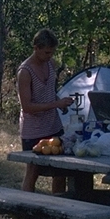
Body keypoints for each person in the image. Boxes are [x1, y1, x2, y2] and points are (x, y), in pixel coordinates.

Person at [17, 29, 74, 193]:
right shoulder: (25, 72)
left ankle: (59, 207)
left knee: (61, 171)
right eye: (47, 52)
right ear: (36, 48)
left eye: (52, 52)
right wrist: (55, 104)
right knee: (33, 171)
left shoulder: (50, 64)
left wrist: (60, 102)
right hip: (33, 129)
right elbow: (27, 106)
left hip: (54, 126)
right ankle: (25, 208)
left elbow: (48, 91)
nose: (49, 56)